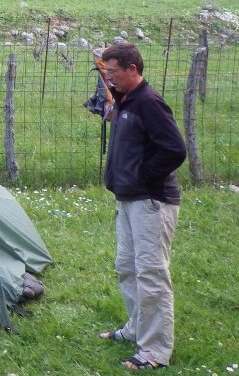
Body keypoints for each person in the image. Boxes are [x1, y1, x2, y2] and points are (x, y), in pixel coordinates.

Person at [97, 42, 187, 371]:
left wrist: (142, 176)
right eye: (105, 73)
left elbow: (174, 149)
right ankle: (135, 328)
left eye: (113, 73)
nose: (109, 80)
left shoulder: (149, 103)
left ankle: (155, 351)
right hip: (128, 198)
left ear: (132, 69)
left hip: (151, 201)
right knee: (127, 266)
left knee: (151, 273)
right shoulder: (125, 101)